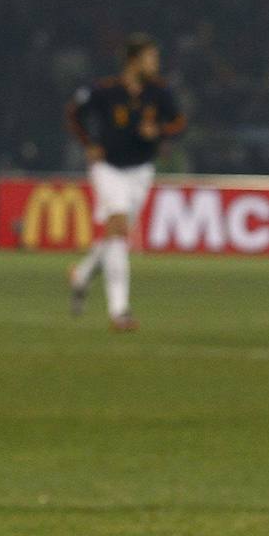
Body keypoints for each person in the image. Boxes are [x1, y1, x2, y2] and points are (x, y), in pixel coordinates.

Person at [65, 33, 186, 331]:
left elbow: (179, 122)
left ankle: (82, 275)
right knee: (118, 228)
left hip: (141, 171)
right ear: (134, 61)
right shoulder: (106, 91)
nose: (156, 63)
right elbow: (74, 113)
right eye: (151, 57)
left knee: (116, 235)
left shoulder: (159, 92)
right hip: (108, 168)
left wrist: (158, 131)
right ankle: (120, 310)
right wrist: (88, 144)